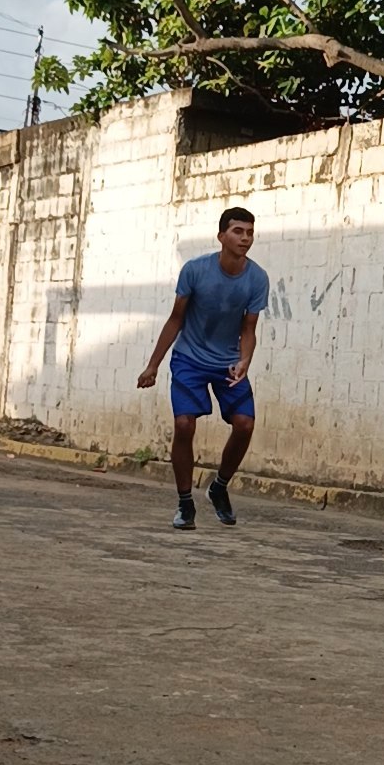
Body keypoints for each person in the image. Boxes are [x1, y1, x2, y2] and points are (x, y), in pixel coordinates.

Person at [138, 206, 270, 530]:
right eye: (238, 231)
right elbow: (175, 319)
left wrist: (245, 360)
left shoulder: (257, 279)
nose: (245, 238)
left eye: (250, 232)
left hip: (228, 363)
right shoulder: (195, 271)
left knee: (245, 425)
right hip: (190, 360)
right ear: (222, 235)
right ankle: (185, 504)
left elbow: (249, 329)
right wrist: (153, 365)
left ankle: (219, 487)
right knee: (184, 425)